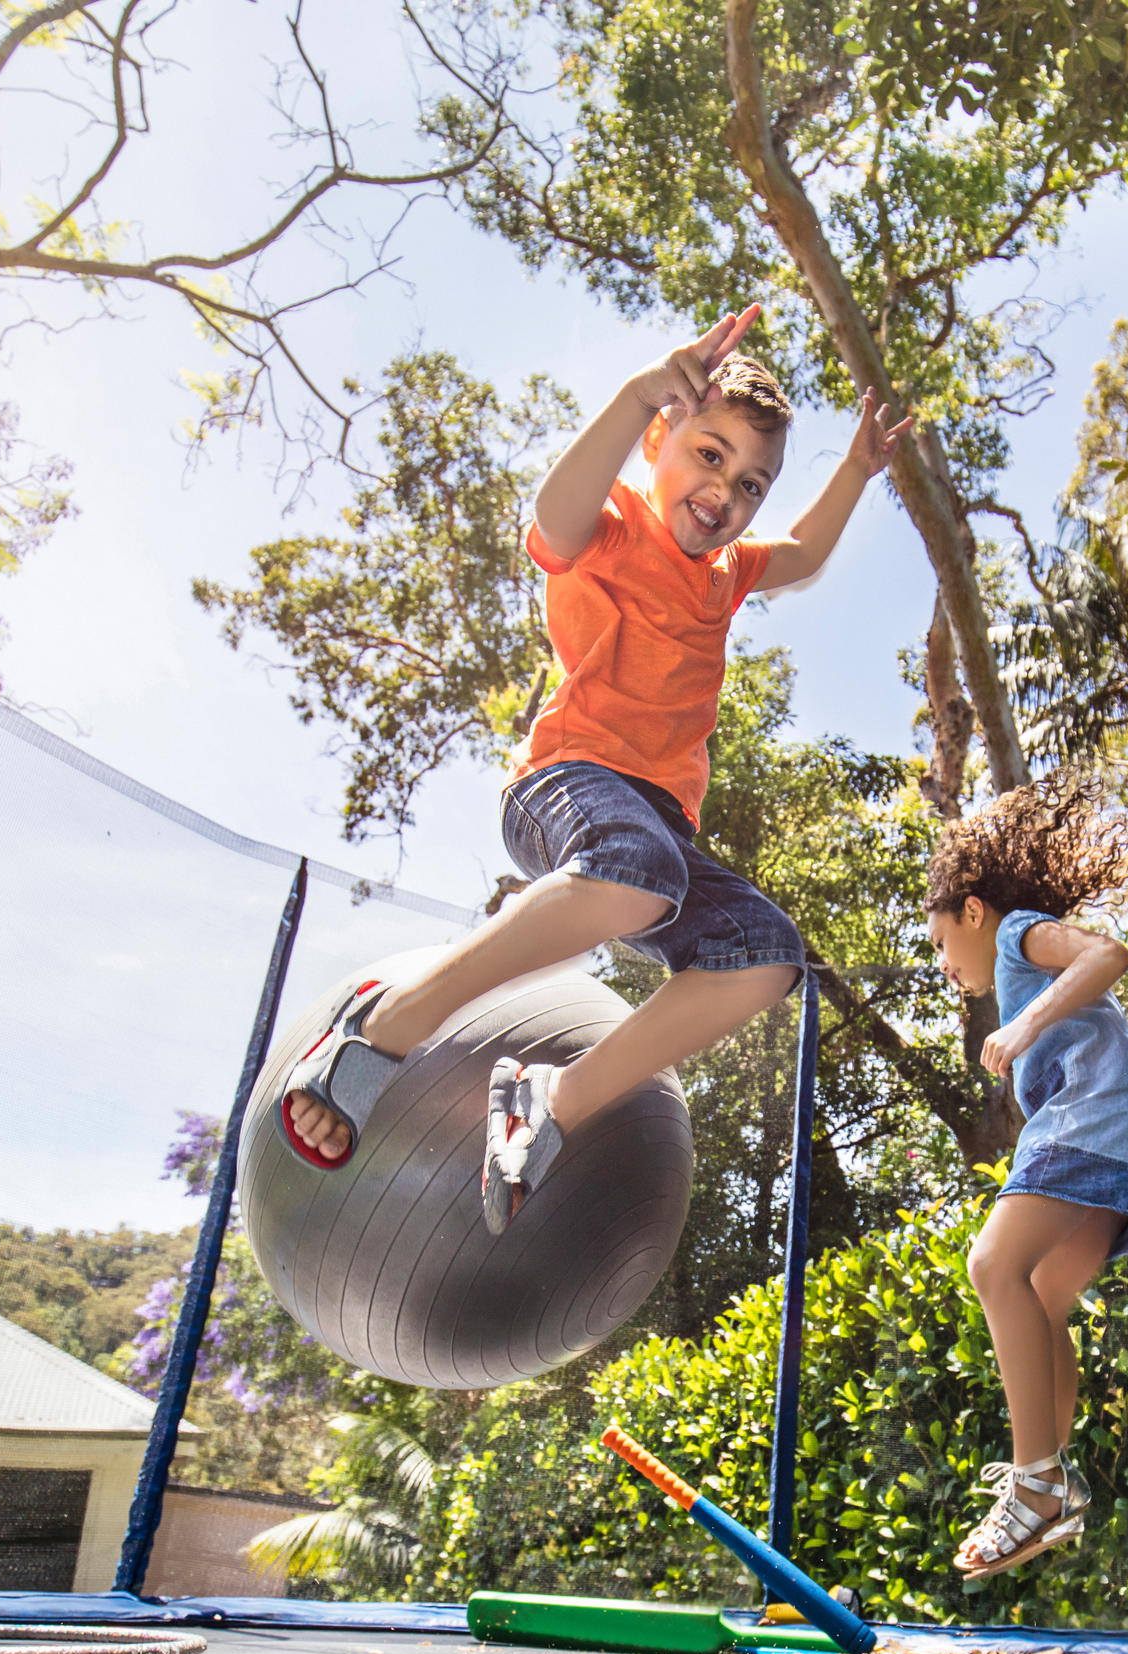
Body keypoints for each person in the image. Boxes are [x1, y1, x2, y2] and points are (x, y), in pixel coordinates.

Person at [277, 303, 913, 1230]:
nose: (725, 492)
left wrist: (856, 467)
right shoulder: (612, 524)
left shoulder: (727, 572)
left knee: (765, 954)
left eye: (750, 485)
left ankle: (552, 1104)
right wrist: (632, 392)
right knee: (635, 870)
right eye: (709, 455)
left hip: (656, 830)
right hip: (566, 783)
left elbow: (808, 554)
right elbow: (551, 513)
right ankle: (386, 1023)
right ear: (662, 434)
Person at [923, 783, 1128, 1578]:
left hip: (1096, 1118)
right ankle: (1053, 1483)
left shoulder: (1016, 937)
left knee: (993, 1264)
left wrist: (1027, 1021)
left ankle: (1035, 1485)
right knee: (1040, 1295)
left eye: (937, 942)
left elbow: (1109, 954)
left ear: (970, 911)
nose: (943, 964)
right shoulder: (1008, 962)